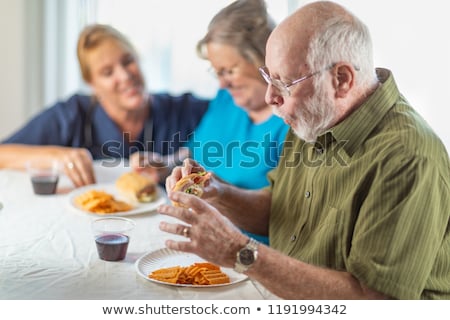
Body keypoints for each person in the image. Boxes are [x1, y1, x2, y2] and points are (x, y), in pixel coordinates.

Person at [159, 0, 450, 299]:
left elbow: (374, 302)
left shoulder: (407, 156)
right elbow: (281, 208)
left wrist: (239, 251)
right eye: (268, 78)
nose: (271, 98)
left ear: (342, 79)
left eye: (283, 84)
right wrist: (219, 192)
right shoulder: (315, 113)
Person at [132, 0, 288, 245]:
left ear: (263, 59)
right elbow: (197, 153)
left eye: (228, 70)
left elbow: (281, 217)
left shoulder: (292, 122)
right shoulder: (226, 100)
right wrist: (164, 165)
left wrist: (218, 192)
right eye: (216, 72)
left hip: (248, 252)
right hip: (196, 235)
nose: (222, 84)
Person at [0, 24, 208, 187]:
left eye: (128, 61)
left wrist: (172, 161)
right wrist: (57, 156)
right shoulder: (71, 115)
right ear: (92, 84)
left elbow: (232, 122)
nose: (125, 76)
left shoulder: (182, 109)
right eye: (107, 73)